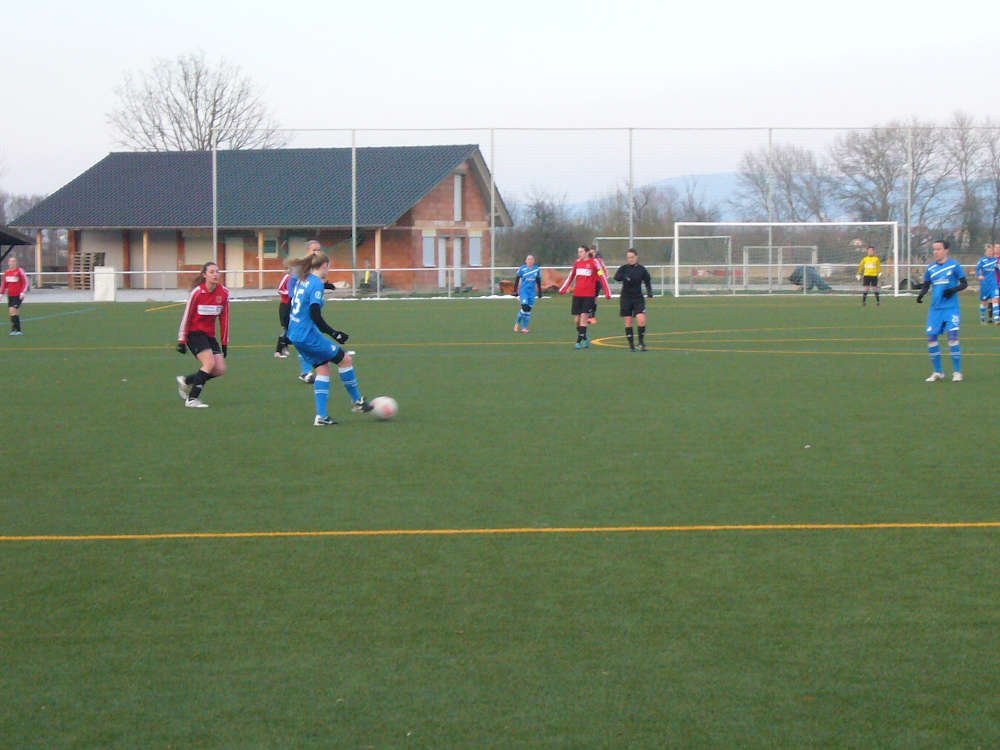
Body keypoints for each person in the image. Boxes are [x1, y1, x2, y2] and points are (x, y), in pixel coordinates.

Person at [287, 250, 372, 425]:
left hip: (295, 334)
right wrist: (335, 333)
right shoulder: (316, 283)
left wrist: (328, 286)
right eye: (329, 267)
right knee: (345, 359)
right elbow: (315, 314)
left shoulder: (304, 279)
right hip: (307, 336)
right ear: (324, 266)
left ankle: (322, 417)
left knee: (323, 369)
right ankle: (357, 402)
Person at [176, 262, 230, 408]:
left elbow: (224, 319)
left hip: (209, 335)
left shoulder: (224, 293)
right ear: (204, 275)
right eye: (211, 272)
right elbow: (187, 316)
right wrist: (181, 339)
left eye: (217, 272)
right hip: (194, 334)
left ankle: (187, 381)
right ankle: (192, 399)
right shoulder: (197, 293)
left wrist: (225, 342)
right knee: (209, 363)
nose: (215, 274)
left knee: (219, 370)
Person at [917, 239, 967, 382]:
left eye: (938, 249)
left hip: (951, 308)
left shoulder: (954, 265)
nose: (935, 252)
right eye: (934, 249)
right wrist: (922, 294)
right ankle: (938, 372)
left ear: (946, 250)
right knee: (931, 338)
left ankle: (957, 372)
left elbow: (964, 283)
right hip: (935, 309)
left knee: (952, 338)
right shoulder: (931, 268)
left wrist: (953, 290)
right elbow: (927, 284)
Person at [559, 245, 610, 349]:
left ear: (586, 252)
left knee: (583, 318)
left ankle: (578, 342)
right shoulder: (577, 263)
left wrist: (607, 292)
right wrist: (563, 288)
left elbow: (602, 276)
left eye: (581, 252)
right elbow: (571, 276)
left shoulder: (594, 263)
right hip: (577, 295)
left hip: (589, 295)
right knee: (577, 320)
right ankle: (585, 337)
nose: (579, 254)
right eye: (578, 252)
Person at [613, 249, 653, 351]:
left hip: (638, 298)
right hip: (626, 298)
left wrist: (649, 293)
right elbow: (616, 277)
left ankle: (641, 343)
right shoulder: (624, 268)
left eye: (632, 257)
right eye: (628, 257)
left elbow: (647, 281)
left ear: (636, 257)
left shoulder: (642, 269)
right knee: (628, 321)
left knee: (641, 319)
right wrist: (624, 276)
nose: (630, 259)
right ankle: (631, 345)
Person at [512, 254, 542, 333]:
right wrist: (515, 291)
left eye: (531, 259)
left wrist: (540, 291)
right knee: (524, 307)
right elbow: (517, 279)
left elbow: (538, 281)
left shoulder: (536, 269)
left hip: (532, 293)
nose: (530, 261)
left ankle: (524, 328)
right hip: (524, 291)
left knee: (528, 310)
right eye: (528, 259)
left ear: (533, 261)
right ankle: (517, 324)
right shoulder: (522, 269)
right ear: (526, 261)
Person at [1, 255, 29, 335]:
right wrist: (1, 294)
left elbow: (25, 282)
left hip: (18, 295)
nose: (12, 263)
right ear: (8, 263)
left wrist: (23, 292)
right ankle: (16, 330)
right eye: (10, 261)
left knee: (13, 310)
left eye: (13, 261)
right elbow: (4, 284)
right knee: (13, 312)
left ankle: (17, 330)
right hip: (10, 295)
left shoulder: (20, 271)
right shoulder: (7, 272)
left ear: (16, 263)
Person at [974, 243, 999, 324]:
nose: (990, 252)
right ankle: (983, 317)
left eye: (991, 251)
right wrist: (980, 275)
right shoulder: (982, 260)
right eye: (988, 251)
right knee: (984, 302)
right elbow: (978, 269)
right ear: (985, 252)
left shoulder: (995, 260)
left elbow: (998, 268)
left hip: (993, 284)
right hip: (985, 285)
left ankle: (997, 319)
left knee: (995, 299)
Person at [588, 246, 608, 324]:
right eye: (590, 252)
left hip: (596, 282)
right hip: (588, 282)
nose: (592, 254)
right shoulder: (587, 261)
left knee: (594, 299)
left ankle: (592, 316)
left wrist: (602, 278)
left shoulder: (598, 261)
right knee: (588, 299)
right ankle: (587, 316)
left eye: (593, 252)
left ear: (595, 253)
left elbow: (602, 270)